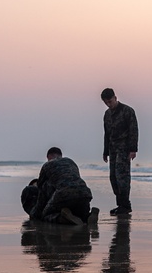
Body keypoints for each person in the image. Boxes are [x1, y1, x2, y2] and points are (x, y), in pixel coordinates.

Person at [22, 147, 99, 226]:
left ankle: (62, 218)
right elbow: (74, 182)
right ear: (61, 156)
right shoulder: (71, 162)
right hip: (85, 193)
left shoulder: (47, 165)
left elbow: (42, 190)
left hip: (64, 193)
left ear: (48, 157)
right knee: (77, 211)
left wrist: (36, 213)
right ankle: (88, 216)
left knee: (45, 215)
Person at [100, 87, 139, 215]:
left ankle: (125, 205)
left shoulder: (127, 111)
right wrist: (105, 151)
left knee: (122, 177)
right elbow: (106, 134)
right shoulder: (107, 115)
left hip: (124, 149)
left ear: (115, 98)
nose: (108, 104)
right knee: (113, 177)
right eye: (106, 102)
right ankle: (120, 204)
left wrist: (133, 149)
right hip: (112, 149)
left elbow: (134, 130)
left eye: (110, 101)